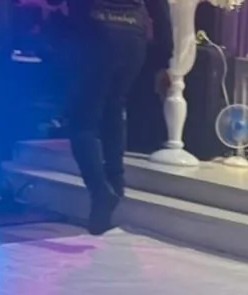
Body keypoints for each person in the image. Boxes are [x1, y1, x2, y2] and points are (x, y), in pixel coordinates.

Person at [66, 0, 172, 234]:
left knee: (82, 124)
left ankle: (100, 191)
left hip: (95, 31)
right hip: (133, 35)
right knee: (114, 107)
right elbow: (160, 9)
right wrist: (164, 58)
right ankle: (115, 182)